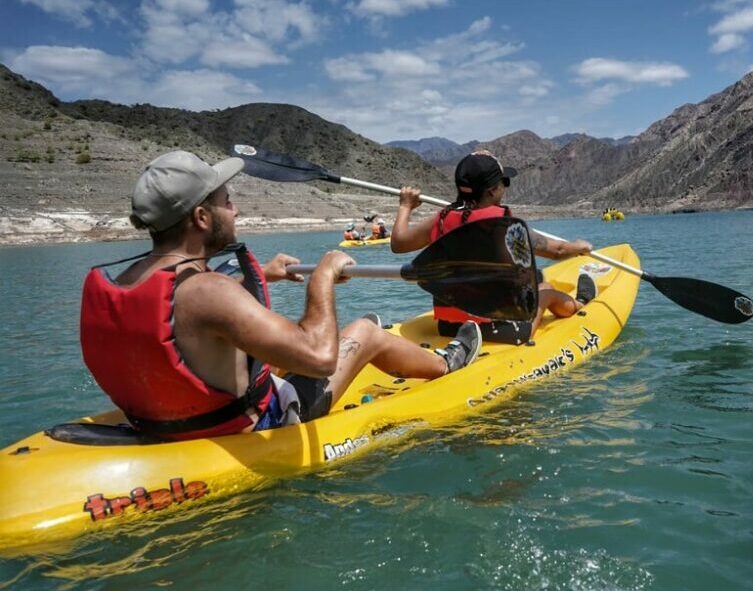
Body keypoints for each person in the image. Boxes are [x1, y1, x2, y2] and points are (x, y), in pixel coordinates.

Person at [80, 150, 482, 442]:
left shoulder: (124, 279)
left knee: (290, 344)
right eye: (227, 202)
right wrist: (321, 278)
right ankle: (449, 364)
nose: (234, 211)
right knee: (365, 331)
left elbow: (183, 315)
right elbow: (321, 360)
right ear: (201, 219)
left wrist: (264, 276)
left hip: (168, 422)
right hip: (257, 423)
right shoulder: (209, 292)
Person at [390, 150, 596, 345]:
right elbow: (557, 251)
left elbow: (399, 244)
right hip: (504, 328)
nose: (505, 187)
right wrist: (579, 246)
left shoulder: (441, 220)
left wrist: (405, 207)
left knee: (542, 284)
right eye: (504, 182)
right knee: (548, 292)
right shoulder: (503, 224)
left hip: (449, 328)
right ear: (492, 190)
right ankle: (579, 303)